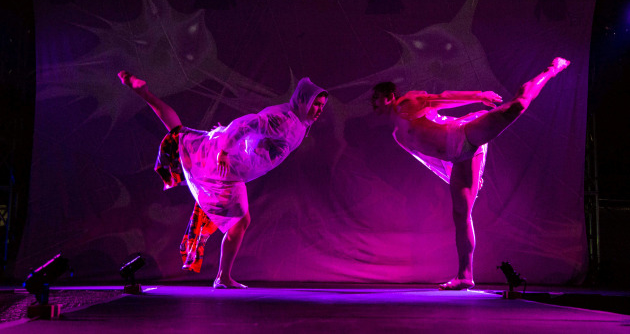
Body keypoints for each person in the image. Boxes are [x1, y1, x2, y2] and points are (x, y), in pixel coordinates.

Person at [371, 57, 570, 290]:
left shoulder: (406, 103)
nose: (373, 103)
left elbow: (442, 98)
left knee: (518, 105)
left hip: (465, 134)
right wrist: (463, 174)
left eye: (375, 98)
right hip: (459, 158)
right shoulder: (399, 136)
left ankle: (551, 70)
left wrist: (479, 96)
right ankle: (465, 276)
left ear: (388, 96)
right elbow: (431, 160)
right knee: (461, 214)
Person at [119, 71, 328, 288]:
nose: (319, 110)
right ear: (303, 101)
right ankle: (223, 277)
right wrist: (225, 151)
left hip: (223, 155)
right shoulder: (286, 122)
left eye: (322, 105)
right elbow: (246, 124)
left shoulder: (295, 119)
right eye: (316, 104)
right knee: (240, 222)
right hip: (227, 168)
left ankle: (144, 93)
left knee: (178, 132)